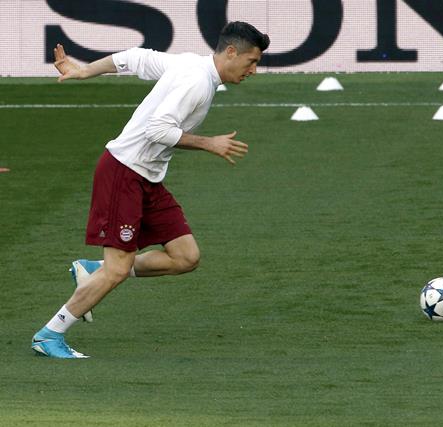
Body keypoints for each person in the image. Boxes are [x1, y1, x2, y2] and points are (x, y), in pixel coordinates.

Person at [31, 22, 270, 358]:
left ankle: (92, 270)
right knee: (116, 269)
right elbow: (159, 128)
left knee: (186, 257)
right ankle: (49, 334)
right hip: (123, 173)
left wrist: (86, 72)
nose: (253, 71)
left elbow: (136, 58)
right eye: (251, 61)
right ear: (231, 52)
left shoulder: (190, 64)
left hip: (148, 177)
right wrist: (208, 143)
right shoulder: (197, 82)